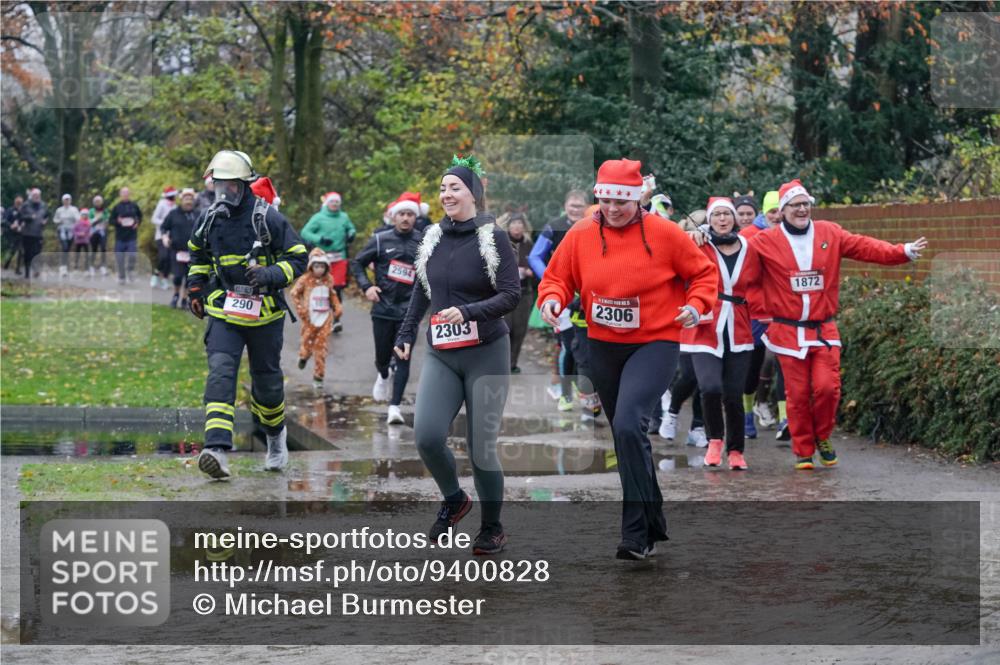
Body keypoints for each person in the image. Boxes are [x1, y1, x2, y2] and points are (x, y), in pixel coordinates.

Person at [537, 158, 718, 560]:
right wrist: (551, 299)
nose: (613, 209)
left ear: (638, 198)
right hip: (603, 345)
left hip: (654, 342)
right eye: (606, 200)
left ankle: (635, 533)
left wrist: (696, 304)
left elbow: (703, 274)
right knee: (626, 435)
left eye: (622, 200)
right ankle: (653, 520)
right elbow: (557, 277)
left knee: (627, 423)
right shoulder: (582, 233)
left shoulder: (666, 234)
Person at [690, 179, 927, 469]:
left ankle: (823, 436)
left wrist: (901, 251)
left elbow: (864, 247)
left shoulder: (830, 232)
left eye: (805, 204)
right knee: (798, 396)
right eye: (794, 205)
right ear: (783, 210)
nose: (801, 210)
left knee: (828, 389)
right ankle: (803, 450)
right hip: (786, 330)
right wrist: (702, 233)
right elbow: (733, 244)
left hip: (823, 328)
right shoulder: (765, 241)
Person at [393, 154, 520, 555]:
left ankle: (492, 527)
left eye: (455, 187)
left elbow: (511, 296)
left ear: (473, 194)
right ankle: (454, 498)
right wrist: (406, 332)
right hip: (443, 352)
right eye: (443, 187)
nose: (447, 194)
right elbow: (420, 290)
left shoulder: (492, 236)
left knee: (481, 447)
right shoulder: (431, 236)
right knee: (427, 436)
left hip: (487, 352)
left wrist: (467, 311)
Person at [186, 149, 308, 479]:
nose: (224, 194)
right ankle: (216, 450)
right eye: (218, 187)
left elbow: (299, 258)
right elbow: (197, 253)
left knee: (266, 387)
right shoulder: (208, 218)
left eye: (230, 188)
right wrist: (196, 287)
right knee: (221, 373)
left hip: (264, 317)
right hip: (225, 311)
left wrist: (271, 274)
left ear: (244, 186)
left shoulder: (268, 218)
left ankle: (274, 439)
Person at [679, 197, 761, 470]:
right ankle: (715, 439)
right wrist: (688, 235)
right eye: (717, 215)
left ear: (736, 219)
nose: (722, 219)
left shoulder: (751, 247)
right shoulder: (698, 244)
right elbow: (670, 249)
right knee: (710, 387)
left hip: (738, 328)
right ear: (709, 219)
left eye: (727, 214)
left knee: (733, 394)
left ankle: (736, 450)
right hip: (705, 328)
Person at [351, 193, 423, 425]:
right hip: (383, 308)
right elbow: (357, 263)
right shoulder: (381, 240)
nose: (405, 218)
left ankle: (395, 406)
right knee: (383, 357)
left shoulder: (423, 242)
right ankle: (383, 374)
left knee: (404, 357)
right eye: (401, 214)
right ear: (394, 216)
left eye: (410, 214)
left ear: (415, 217)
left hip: (409, 311)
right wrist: (367, 287)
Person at [528, 189, 589, 411]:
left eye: (579, 206)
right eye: (571, 205)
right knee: (568, 345)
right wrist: (552, 280)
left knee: (586, 347)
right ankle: (565, 393)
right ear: (565, 206)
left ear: (586, 207)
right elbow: (534, 256)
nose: (575, 210)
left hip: (587, 295)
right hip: (562, 296)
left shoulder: (593, 224)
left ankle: (587, 391)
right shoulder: (554, 225)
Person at [740, 189, 782, 438]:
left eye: (779, 210)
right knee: (754, 364)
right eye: (772, 211)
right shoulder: (747, 237)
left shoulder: (790, 237)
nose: (776, 216)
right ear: (765, 214)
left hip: (781, 313)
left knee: (778, 361)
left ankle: (783, 419)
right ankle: (747, 413)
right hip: (754, 311)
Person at [301, 191, 356, 333]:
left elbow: (351, 228)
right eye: (332, 202)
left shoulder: (344, 217)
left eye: (337, 202)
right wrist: (320, 239)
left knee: (336, 288)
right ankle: (316, 316)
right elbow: (305, 232)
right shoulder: (318, 217)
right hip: (321, 258)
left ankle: (336, 319)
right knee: (319, 287)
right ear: (327, 203)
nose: (335, 204)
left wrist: (351, 234)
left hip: (339, 258)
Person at [290, 249, 343, 390]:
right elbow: (294, 293)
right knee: (307, 346)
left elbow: (332, 295)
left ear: (326, 267)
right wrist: (301, 310)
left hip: (325, 319)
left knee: (321, 349)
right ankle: (303, 357)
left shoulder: (329, 280)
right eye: (316, 266)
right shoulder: (305, 280)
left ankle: (319, 377)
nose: (319, 270)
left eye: (322, 266)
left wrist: (337, 307)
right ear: (311, 266)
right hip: (309, 319)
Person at [500, 212, 535, 373]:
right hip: (505, 293)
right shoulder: (501, 242)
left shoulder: (530, 245)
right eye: (513, 224)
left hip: (524, 292)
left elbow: (538, 266)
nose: (517, 227)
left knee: (520, 330)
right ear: (508, 226)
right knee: (505, 328)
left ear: (524, 227)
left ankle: (512, 364)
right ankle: (500, 362)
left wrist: (530, 271)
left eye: (520, 224)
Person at [161, 188, 199, 309]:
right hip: (176, 251)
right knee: (177, 276)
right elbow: (163, 228)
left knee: (189, 278)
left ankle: (184, 299)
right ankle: (176, 294)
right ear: (181, 200)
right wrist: (165, 238)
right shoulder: (173, 214)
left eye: (190, 199)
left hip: (192, 252)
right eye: (186, 199)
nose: (188, 202)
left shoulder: (197, 214)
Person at [109, 187, 143, 285]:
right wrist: (117, 221)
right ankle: (121, 276)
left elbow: (140, 216)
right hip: (120, 236)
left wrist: (138, 223)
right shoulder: (117, 207)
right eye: (123, 193)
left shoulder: (134, 205)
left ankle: (130, 271)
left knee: (132, 255)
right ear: (120, 195)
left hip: (131, 235)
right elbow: (111, 221)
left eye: (127, 193)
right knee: (120, 258)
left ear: (129, 194)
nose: (125, 195)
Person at [151, 186, 177, 289]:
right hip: (161, 235)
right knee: (163, 257)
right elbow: (154, 219)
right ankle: (156, 274)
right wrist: (165, 224)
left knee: (170, 259)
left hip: (172, 237)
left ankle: (165, 279)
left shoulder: (175, 206)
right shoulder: (161, 204)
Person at [19, 188, 47, 281]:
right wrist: (29, 217)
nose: (36, 197)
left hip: (38, 233)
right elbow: (21, 217)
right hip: (27, 233)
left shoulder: (43, 205)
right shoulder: (26, 205)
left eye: (38, 196)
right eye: (35, 195)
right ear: (31, 196)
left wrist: (45, 221)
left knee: (37, 252)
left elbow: (47, 215)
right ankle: (27, 272)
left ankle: (36, 270)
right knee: (27, 253)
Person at [53, 193, 79, 276]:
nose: (66, 201)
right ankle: (63, 267)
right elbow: (55, 220)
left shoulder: (74, 209)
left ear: (70, 200)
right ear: (63, 201)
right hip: (62, 230)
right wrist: (59, 221)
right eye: (65, 200)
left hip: (71, 230)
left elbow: (78, 219)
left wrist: (75, 220)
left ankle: (66, 266)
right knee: (64, 247)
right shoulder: (59, 210)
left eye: (68, 200)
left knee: (68, 248)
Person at [2, 195, 24, 273]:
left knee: (20, 250)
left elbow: (24, 220)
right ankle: (6, 263)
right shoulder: (10, 210)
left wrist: (22, 225)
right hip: (11, 233)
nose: (19, 203)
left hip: (20, 233)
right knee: (13, 250)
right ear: (15, 201)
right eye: (18, 201)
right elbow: (4, 221)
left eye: (20, 202)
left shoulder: (23, 211)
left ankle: (17, 269)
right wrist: (11, 225)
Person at [88, 195, 109, 276]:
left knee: (103, 248)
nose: (98, 203)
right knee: (94, 249)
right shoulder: (91, 211)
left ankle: (103, 266)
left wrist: (103, 222)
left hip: (102, 232)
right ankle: (91, 266)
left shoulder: (105, 210)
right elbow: (89, 222)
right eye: (96, 201)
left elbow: (106, 220)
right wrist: (97, 220)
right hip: (93, 232)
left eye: (99, 201)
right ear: (94, 203)